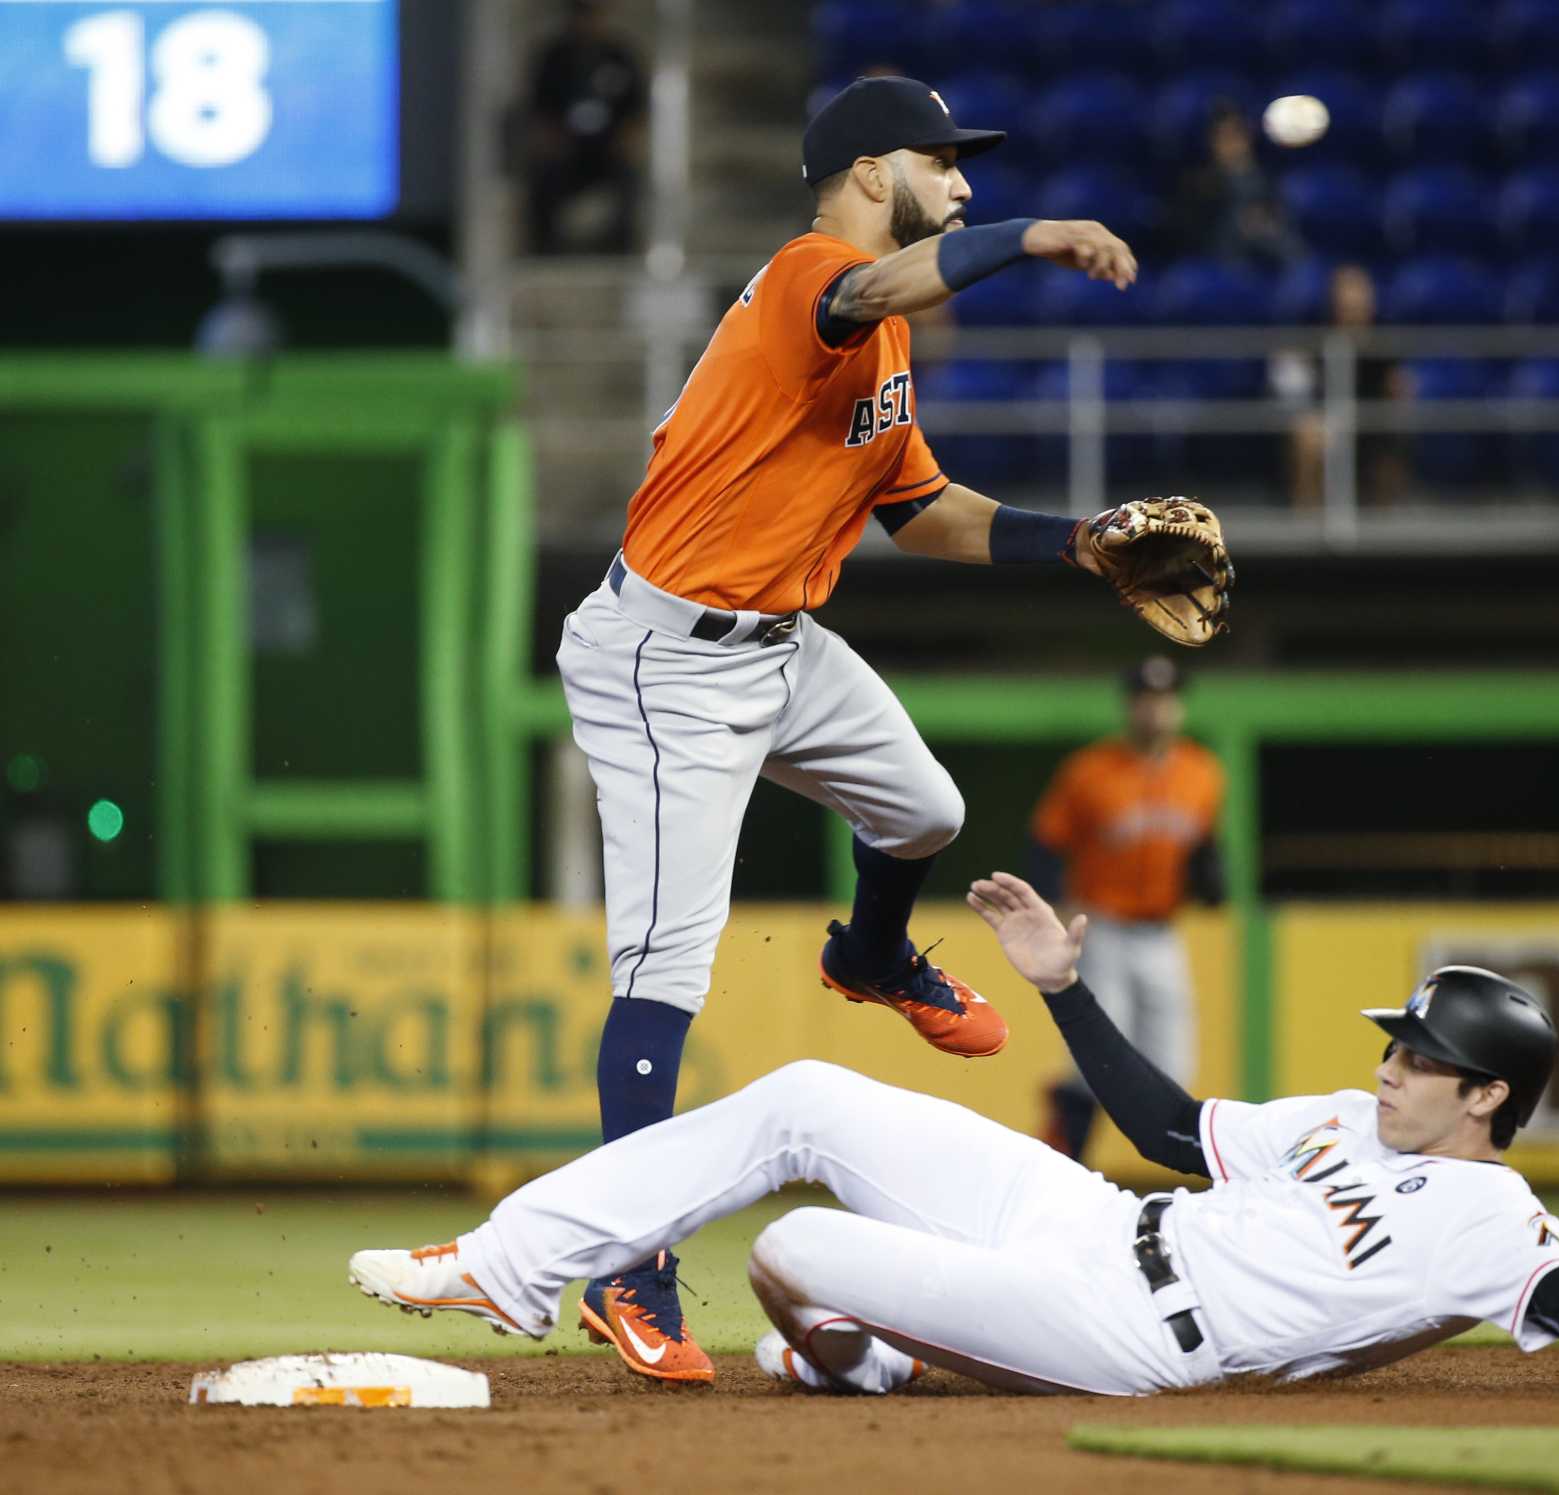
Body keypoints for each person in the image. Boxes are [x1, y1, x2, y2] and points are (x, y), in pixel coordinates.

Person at [550, 74, 1141, 1386]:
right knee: (665, 963)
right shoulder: (819, 277)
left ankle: (873, 955)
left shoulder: (883, 345)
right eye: (946, 159)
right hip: (667, 656)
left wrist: (1077, 541)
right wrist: (1038, 238)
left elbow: (920, 509)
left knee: (923, 809)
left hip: (781, 639)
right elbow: (879, 288)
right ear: (873, 169)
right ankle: (626, 1261)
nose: (967, 180)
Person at [349, 874, 1559, 1397]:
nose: (1391, 1063)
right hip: (1088, 1215)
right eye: (1397, 1039)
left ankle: (858, 1354)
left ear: (1490, 1095)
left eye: (1423, 1056)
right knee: (804, 1094)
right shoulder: (1342, 1117)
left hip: (1127, 1336)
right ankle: (514, 1262)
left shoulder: (1492, 1220)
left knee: (796, 1244)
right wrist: (1064, 987)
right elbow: (1169, 1127)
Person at [1026, 656, 1225, 1161]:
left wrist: (1211, 876)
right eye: (1147, 699)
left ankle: (1185, 1177)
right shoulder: (1091, 770)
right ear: (1130, 705)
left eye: (1166, 700)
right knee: (1097, 1056)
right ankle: (1062, 1162)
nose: (1156, 710)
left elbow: (1205, 845)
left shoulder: (1201, 771)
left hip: (1162, 932)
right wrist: (1049, 909)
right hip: (1103, 926)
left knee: (1173, 1066)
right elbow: (1047, 844)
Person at [1275, 263, 1410, 513]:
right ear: (1335, 300)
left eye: (1361, 295)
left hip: (1371, 423)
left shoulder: (1383, 344)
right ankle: (1306, 514)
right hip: (1328, 421)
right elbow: (1295, 384)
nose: (1356, 302)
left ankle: (1385, 517)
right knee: (1307, 435)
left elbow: (1396, 389)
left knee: (1395, 430)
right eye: (1349, 295)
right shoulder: (1316, 340)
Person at [524, 0, 650, 255]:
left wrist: (626, 137)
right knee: (543, 174)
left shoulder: (620, 57)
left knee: (629, 175)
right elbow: (539, 106)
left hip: (609, 145)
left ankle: (622, 245)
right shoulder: (554, 58)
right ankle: (545, 246)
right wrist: (550, 137)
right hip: (565, 145)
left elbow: (637, 107)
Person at [1169, 102, 1303, 268]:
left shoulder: (1272, 179)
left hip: (1272, 264)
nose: (1233, 144)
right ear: (1211, 142)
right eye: (1224, 137)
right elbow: (1189, 238)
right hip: (1219, 267)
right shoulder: (1198, 185)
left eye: (1237, 134)